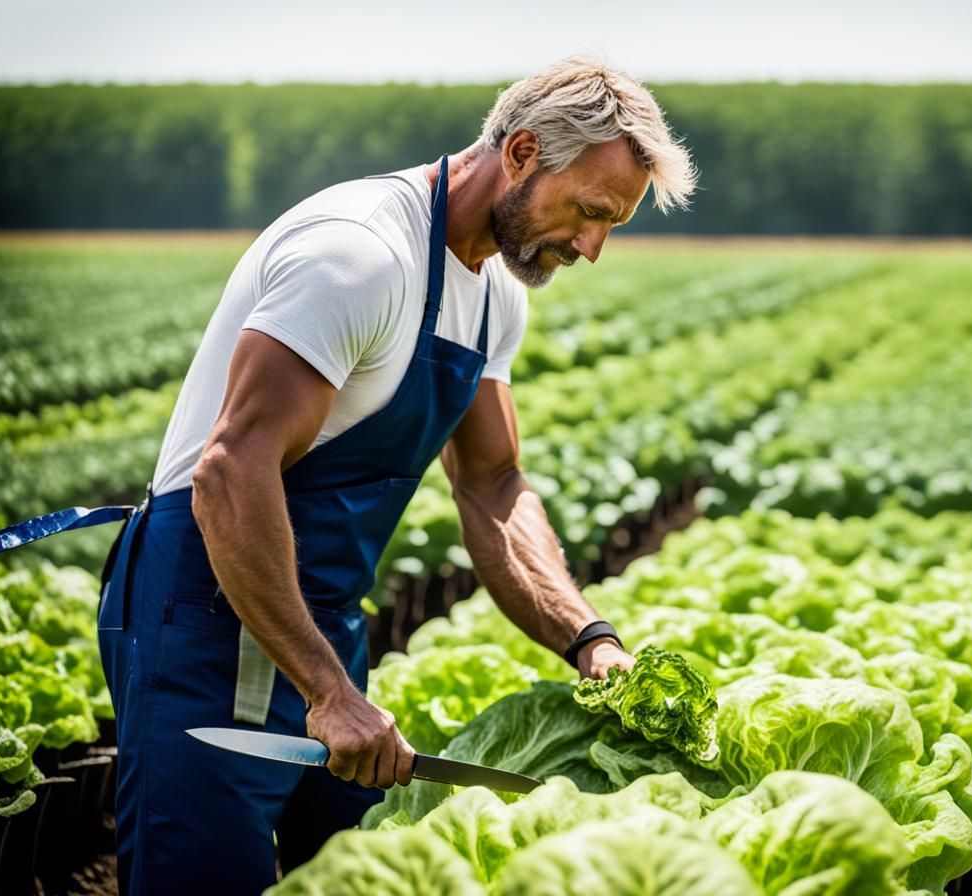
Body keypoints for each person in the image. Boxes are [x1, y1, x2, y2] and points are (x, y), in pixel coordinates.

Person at [97, 56, 696, 893]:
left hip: (324, 624)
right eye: (590, 212)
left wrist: (590, 641)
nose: (592, 248)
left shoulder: (495, 292)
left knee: (353, 876)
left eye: (613, 227)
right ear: (522, 150)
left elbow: (492, 486)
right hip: (209, 616)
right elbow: (232, 473)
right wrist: (327, 690)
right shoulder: (359, 253)